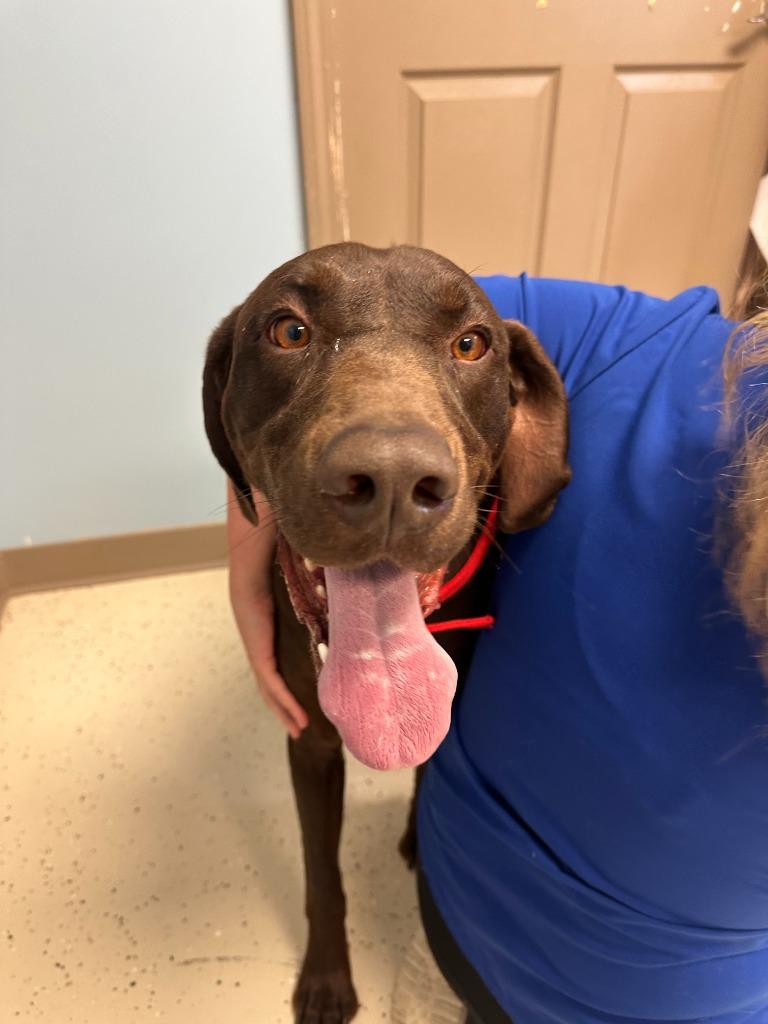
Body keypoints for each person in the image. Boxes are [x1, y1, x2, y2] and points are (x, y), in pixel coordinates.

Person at [227, 270, 768, 1024]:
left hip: (704, 999)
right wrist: (247, 551)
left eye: (468, 348)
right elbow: (381, 307)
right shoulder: (647, 344)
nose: (391, 469)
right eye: (291, 334)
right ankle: (327, 921)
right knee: (312, 739)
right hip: (461, 924)